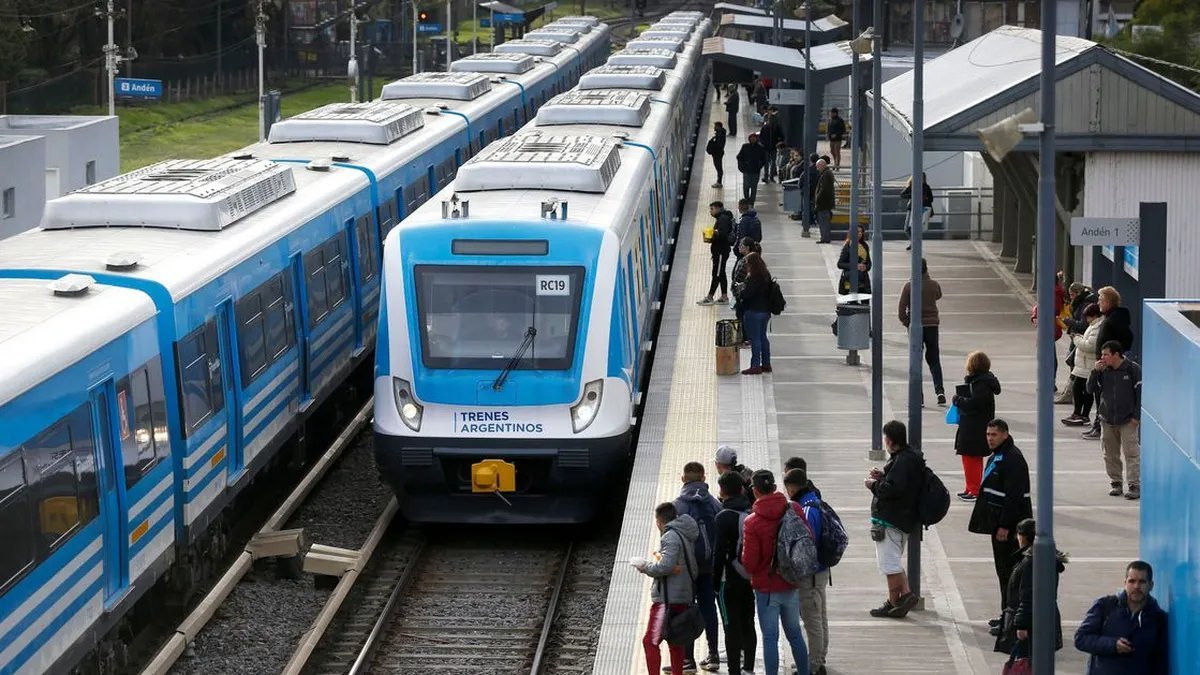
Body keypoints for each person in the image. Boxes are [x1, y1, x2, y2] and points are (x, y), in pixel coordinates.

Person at [742, 470, 811, 675]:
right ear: (774, 487)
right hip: (791, 583)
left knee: (770, 637)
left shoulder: (752, 522)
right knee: (795, 634)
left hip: (767, 588)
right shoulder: (794, 509)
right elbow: (808, 539)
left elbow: (750, 563)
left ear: (755, 491)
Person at [967, 419, 1032, 635]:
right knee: (1003, 574)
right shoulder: (998, 456)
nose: (989, 438)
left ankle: (1011, 619)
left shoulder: (1012, 459)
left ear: (1005, 434)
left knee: (1010, 575)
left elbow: (1014, 497)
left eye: (994, 435)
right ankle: (1006, 614)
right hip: (998, 526)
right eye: (988, 434)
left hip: (1010, 530)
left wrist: (1004, 526)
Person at [865, 420, 922, 618]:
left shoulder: (902, 461)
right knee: (893, 562)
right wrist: (883, 476)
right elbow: (899, 484)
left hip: (891, 521)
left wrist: (873, 484)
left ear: (888, 440)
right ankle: (897, 600)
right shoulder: (909, 458)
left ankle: (901, 597)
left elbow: (892, 490)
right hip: (903, 519)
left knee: (889, 564)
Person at [635, 502, 699, 675]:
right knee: (675, 642)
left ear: (658, 521)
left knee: (650, 641)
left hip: (667, 599)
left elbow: (665, 567)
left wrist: (645, 567)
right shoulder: (684, 533)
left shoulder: (670, 536)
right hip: (682, 595)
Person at [672, 462, 724, 672]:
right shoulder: (714, 504)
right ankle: (713, 656)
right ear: (703, 479)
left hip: (686, 570)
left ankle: (687, 660)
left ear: (683, 479)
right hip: (709, 567)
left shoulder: (676, 506)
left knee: (685, 609)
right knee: (709, 608)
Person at [1074, 560, 1169, 674]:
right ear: (1125, 583)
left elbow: (1160, 662)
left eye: (1142, 582)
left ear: (1151, 585)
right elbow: (1081, 639)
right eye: (1132, 581)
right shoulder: (1105, 606)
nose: (1136, 586)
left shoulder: (1158, 618)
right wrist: (1112, 645)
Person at [995, 518, 1067, 666]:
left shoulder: (1032, 561)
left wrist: (1021, 624)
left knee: (1027, 663)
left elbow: (1028, 594)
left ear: (1024, 536)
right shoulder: (1041, 557)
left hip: (1031, 623)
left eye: (1019, 535)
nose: (1017, 538)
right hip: (1042, 618)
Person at [784, 468, 831, 675]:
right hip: (821, 571)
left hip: (811, 572)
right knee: (820, 616)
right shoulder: (816, 501)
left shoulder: (806, 510)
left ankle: (812, 666)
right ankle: (818, 658)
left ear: (792, 488)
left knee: (812, 619)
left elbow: (807, 544)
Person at [1086, 341, 1142, 500]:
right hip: (1107, 419)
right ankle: (1116, 482)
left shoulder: (1133, 369)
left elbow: (1140, 395)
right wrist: (1094, 372)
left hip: (1128, 421)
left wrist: (1136, 417)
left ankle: (1134, 485)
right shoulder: (1102, 371)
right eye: (1102, 354)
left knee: (1131, 453)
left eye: (1106, 355)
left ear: (1116, 355)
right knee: (1110, 454)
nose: (1102, 358)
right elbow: (1090, 389)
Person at [714, 471, 757, 675]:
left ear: (722, 491)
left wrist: (714, 583)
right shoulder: (750, 512)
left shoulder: (723, 517)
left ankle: (734, 670)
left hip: (727, 580)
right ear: (741, 489)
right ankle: (748, 667)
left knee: (730, 626)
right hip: (748, 576)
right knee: (748, 621)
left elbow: (718, 553)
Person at [1084, 286, 1134, 439]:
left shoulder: (1115, 318)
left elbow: (1127, 339)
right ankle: (1098, 424)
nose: (1098, 302)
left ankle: (1100, 426)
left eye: (1100, 300)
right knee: (1099, 393)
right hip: (1103, 362)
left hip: (1108, 364)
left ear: (1108, 302)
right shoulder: (1110, 317)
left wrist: (1113, 356)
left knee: (1103, 394)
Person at [951, 351, 1001, 501]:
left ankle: (974, 489)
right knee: (970, 457)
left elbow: (975, 404)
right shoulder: (982, 381)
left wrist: (958, 400)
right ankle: (970, 487)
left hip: (975, 427)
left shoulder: (981, 384)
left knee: (971, 457)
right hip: (974, 425)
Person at [898, 258, 946, 405]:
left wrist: (908, 323)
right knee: (934, 359)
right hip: (932, 326)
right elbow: (938, 295)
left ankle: (919, 397)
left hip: (916, 326)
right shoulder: (934, 285)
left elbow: (901, 309)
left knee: (916, 361)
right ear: (926, 269)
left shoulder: (909, 287)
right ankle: (940, 391)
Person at [1063, 303, 1103, 426]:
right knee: (1081, 389)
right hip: (1084, 364)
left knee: (1081, 389)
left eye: (1088, 317)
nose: (1086, 320)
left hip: (1087, 364)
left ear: (1094, 316)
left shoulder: (1097, 327)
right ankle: (1080, 414)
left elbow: (1090, 346)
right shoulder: (1094, 326)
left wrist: (1076, 339)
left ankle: (1081, 414)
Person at [737, 252, 773, 376]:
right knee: (763, 337)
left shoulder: (753, 277)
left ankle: (755, 366)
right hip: (765, 312)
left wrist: (741, 291)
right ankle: (766, 364)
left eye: (747, 263)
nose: (746, 266)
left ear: (751, 264)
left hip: (753, 311)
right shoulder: (766, 275)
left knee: (755, 339)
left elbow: (747, 294)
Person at [698, 201, 734, 306]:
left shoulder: (722, 219)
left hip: (721, 251)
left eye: (712, 209)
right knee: (721, 273)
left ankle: (710, 297)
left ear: (718, 208)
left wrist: (713, 234)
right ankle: (724, 296)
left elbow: (722, 234)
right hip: (721, 251)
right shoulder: (722, 218)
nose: (711, 211)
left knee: (716, 274)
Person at [900, 173, 934, 251]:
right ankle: (914, 243)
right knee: (907, 228)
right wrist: (912, 195)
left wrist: (925, 198)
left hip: (922, 209)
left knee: (918, 228)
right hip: (912, 208)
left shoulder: (926, 187)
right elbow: (902, 195)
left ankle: (914, 244)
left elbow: (931, 199)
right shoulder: (913, 186)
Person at [836, 228, 871, 296]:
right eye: (858, 232)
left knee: (865, 302)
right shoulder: (848, 246)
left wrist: (866, 267)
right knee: (852, 302)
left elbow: (869, 263)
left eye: (861, 232)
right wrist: (855, 266)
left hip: (863, 279)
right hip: (850, 280)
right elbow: (840, 264)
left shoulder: (864, 246)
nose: (860, 233)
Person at [736, 133, 767, 204]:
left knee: (754, 187)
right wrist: (742, 166)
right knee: (745, 186)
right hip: (746, 170)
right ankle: (746, 199)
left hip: (755, 171)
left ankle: (751, 202)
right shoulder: (745, 146)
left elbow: (764, 159)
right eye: (751, 138)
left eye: (754, 138)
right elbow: (739, 157)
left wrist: (759, 166)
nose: (753, 139)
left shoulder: (760, 148)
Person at [813, 158, 836, 244]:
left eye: (818, 167)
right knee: (824, 221)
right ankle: (824, 237)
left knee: (823, 221)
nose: (817, 169)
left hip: (824, 203)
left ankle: (825, 238)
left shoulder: (826, 175)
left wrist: (818, 199)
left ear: (822, 166)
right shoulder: (826, 173)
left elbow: (824, 189)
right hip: (825, 203)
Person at [759, 112, 784, 183]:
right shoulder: (774, 127)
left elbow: (761, 137)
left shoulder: (767, 127)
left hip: (769, 147)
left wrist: (763, 143)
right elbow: (782, 137)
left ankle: (767, 176)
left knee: (768, 162)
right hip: (770, 147)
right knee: (772, 162)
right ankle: (770, 177)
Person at [706, 122, 727, 188]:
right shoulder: (720, 133)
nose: (714, 127)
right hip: (719, 153)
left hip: (717, 154)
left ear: (718, 126)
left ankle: (719, 182)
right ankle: (719, 182)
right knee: (718, 168)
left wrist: (713, 148)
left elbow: (719, 145)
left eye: (715, 126)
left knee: (718, 168)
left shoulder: (720, 135)